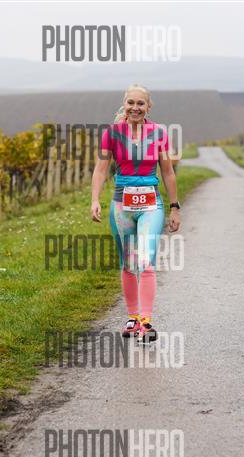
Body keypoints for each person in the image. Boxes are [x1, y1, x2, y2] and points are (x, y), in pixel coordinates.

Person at [90, 84, 181, 343]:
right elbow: (100, 170)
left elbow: (168, 172)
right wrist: (95, 200)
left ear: (148, 107)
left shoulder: (159, 133)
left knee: (146, 261)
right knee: (128, 263)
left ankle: (145, 322)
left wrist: (174, 207)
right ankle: (132, 319)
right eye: (131, 102)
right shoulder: (112, 134)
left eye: (141, 103)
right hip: (121, 206)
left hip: (151, 204)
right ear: (124, 104)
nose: (135, 108)